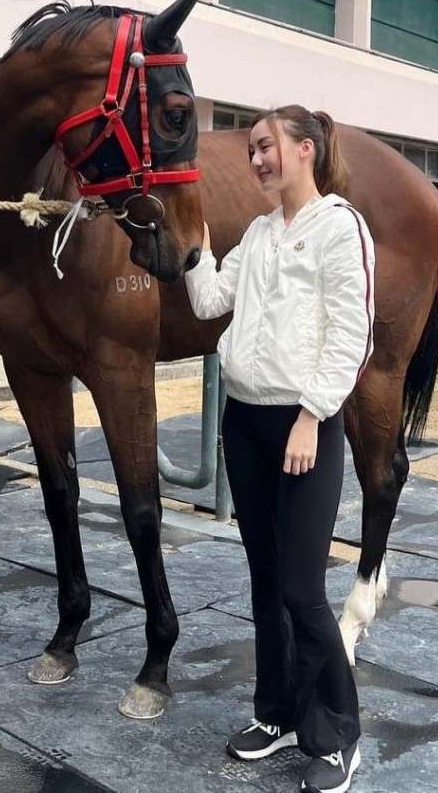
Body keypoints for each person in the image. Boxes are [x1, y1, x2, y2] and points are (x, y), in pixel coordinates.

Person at [185, 106, 374, 793]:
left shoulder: (339, 226)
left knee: (302, 589)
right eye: (253, 150)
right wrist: (196, 250)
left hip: (305, 428)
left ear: (304, 150)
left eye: (266, 147)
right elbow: (209, 303)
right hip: (246, 422)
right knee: (266, 583)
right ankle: (279, 714)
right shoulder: (260, 233)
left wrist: (311, 414)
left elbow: (352, 331)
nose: (257, 159)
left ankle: (338, 735)